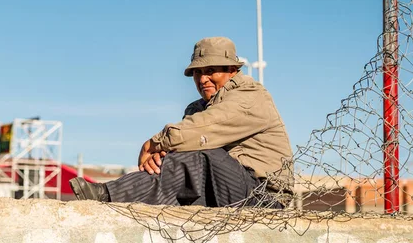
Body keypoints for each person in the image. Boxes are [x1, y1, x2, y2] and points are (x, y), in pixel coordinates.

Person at [70, 37, 294, 207]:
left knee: (205, 152)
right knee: (184, 171)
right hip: (219, 189)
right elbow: (183, 148)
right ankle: (118, 202)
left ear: (232, 71)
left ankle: (107, 195)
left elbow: (202, 131)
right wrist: (160, 157)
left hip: (264, 197)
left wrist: (155, 144)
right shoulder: (197, 108)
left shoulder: (250, 95)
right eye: (197, 73)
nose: (203, 79)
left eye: (210, 71)